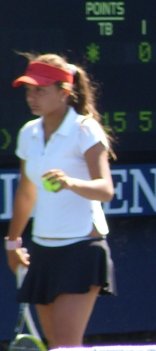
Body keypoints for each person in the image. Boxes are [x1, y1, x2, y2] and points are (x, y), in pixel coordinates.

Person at [4, 53, 116, 349]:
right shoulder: (28, 133)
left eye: (40, 90)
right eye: (29, 90)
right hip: (43, 251)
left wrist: (70, 182)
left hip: (82, 249)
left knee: (66, 345)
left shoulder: (84, 129)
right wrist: (13, 243)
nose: (32, 97)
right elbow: (26, 193)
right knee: (56, 345)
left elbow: (105, 189)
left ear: (64, 92)